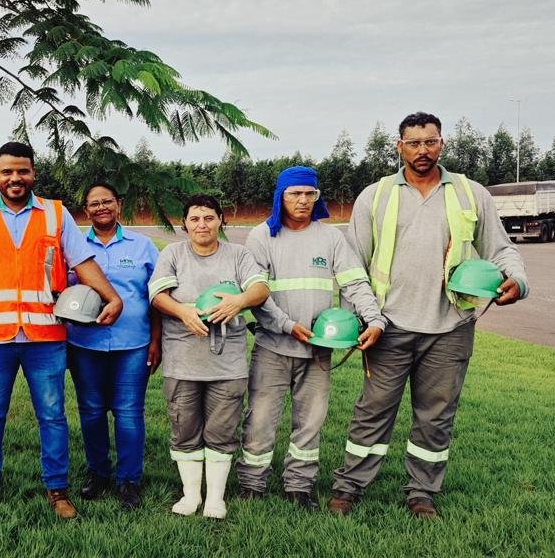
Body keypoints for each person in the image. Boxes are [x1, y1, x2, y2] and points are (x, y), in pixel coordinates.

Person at [328, 112, 528, 519]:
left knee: (436, 415)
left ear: (442, 143)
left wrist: (518, 281)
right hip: (389, 325)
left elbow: (501, 249)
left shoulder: (471, 194)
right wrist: (360, 320)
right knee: (373, 410)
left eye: (430, 142)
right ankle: (348, 487)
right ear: (398, 146)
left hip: (451, 326)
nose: (423, 150)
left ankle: (422, 494)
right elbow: (354, 266)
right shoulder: (376, 195)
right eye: (414, 143)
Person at [0, 141, 123, 520]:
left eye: (23, 171)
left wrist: (112, 296)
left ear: (33, 174)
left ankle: (57, 490)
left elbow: (83, 261)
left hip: (46, 338)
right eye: (7, 171)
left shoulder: (55, 214)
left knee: (53, 415)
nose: (16, 178)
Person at [236, 166, 385, 511]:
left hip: (318, 351)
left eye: (309, 194)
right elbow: (255, 293)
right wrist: (287, 325)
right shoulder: (262, 236)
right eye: (294, 194)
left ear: (317, 197)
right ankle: (251, 483)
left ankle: (299, 486)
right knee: (259, 417)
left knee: (311, 420)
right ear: (280, 196)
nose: (302, 201)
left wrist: (374, 320)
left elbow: (354, 283)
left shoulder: (331, 238)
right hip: (272, 346)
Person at [148, 194, 269, 520]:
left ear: (221, 221)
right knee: (184, 427)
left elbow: (260, 288)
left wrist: (239, 301)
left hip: (226, 362)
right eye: (194, 219)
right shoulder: (173, 254)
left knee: (222, 429)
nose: (202, 225)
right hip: (183, 360)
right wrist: (182, 311)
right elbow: (157, 295)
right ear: (185, 224)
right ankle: (191, 495)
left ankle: (215, 498)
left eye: (209, 218)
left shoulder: (238, 254)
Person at [66, 182, 161, 510]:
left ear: (119, 205)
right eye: (94, 203)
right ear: (86, 211)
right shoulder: (73, 246)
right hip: (84, 343)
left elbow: (158, 297)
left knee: (129, 412)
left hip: (133, 343)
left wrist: (156, 340)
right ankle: (98, 473)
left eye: (107, 201)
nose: (101, 207)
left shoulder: (143, 246)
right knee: (91, 410)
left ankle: (129, 480)